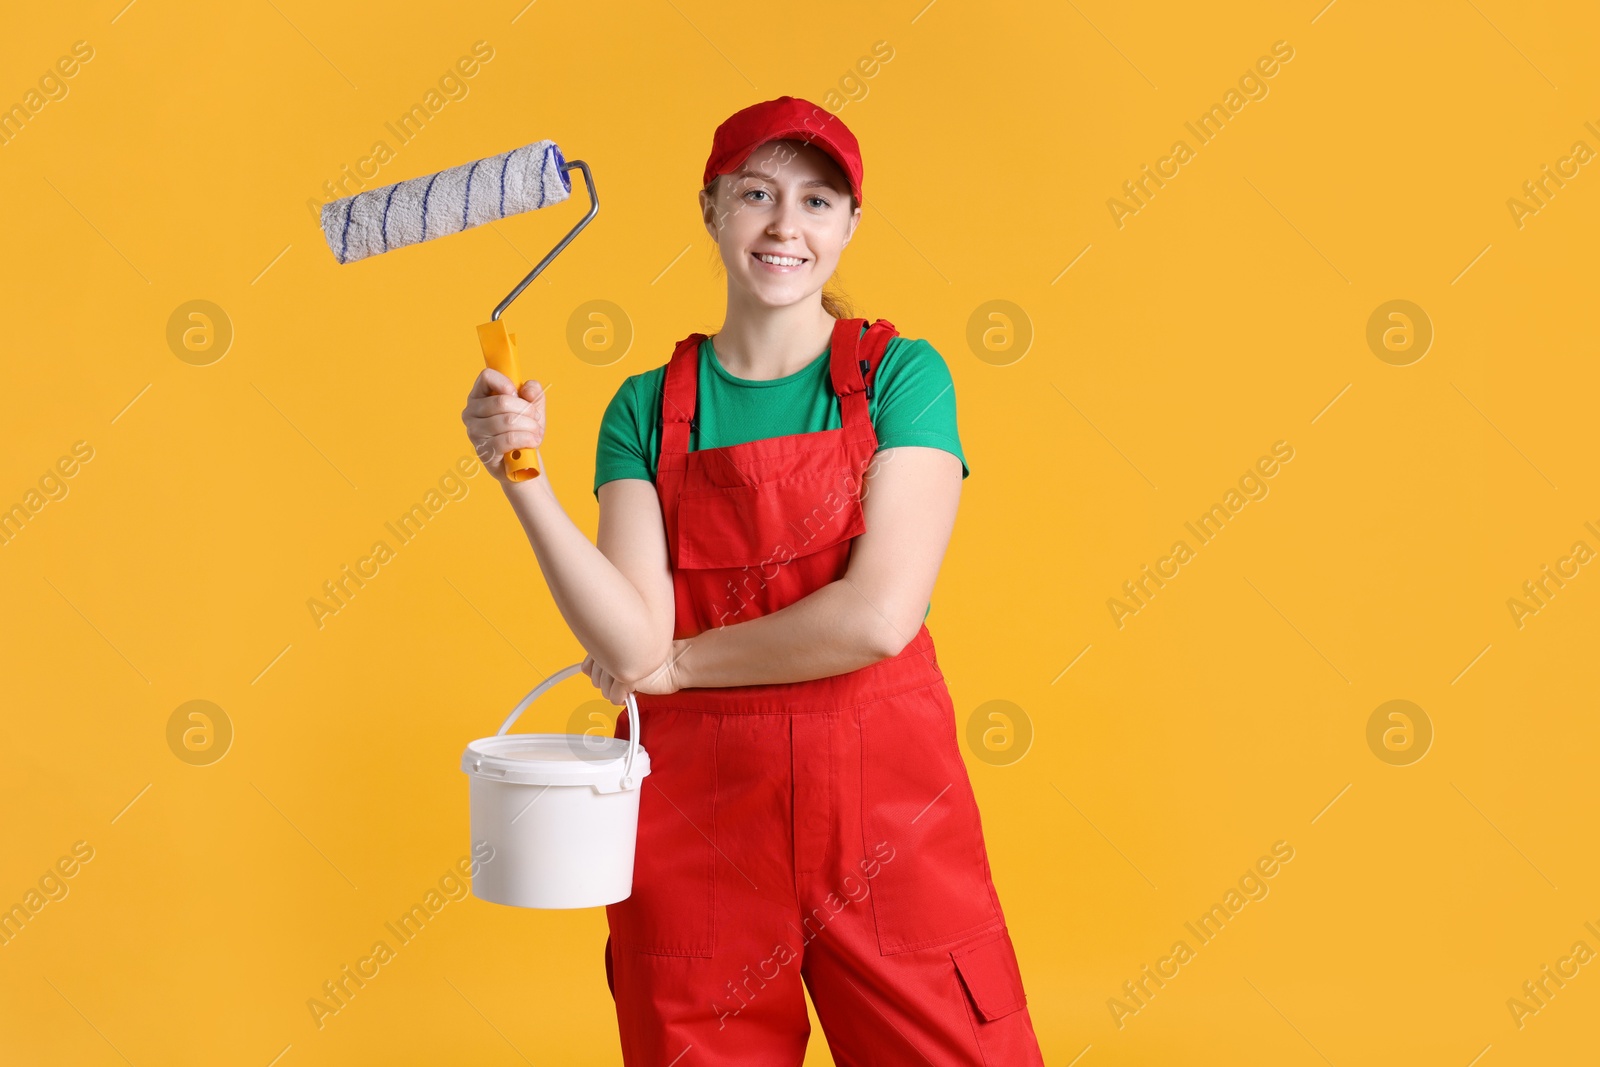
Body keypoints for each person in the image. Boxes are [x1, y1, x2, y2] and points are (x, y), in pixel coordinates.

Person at [461, 95, 1045, 1066]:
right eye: (757, 194)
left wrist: (680, 664)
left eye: (818, 202)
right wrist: (523, 477)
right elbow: (629, 642)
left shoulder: (902, 377)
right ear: (710, 208)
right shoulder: (645, 408)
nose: (785, 225)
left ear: (849, 225)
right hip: (698, 833)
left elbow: (876, 614)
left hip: (885, 823)